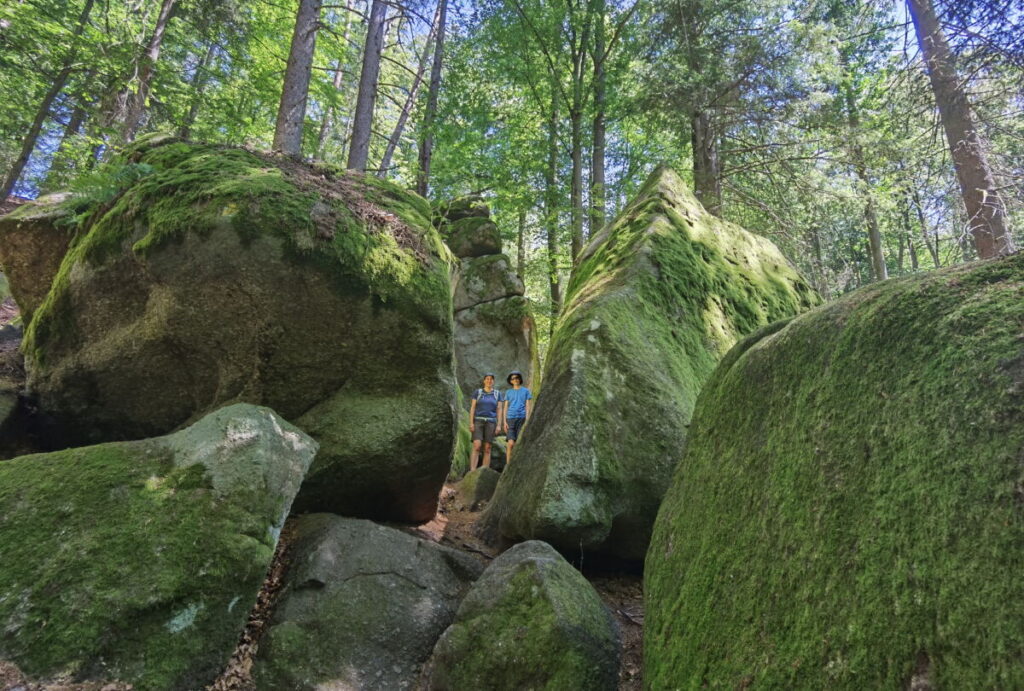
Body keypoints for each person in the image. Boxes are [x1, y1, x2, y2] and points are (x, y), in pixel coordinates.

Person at [468, 373, 503, 471]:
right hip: (478, 421)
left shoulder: (497, 394)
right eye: (487, 379)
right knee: (477, 445)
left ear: (493, 381)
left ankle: (483, 472)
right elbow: (473, 408)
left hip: (491, 422)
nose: (489, 381)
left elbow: (499, 409)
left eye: (491, 379)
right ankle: (472, 471)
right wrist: (471, 423)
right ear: (484, 381)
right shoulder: (478, 392)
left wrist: (499, 425)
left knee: (487, 448)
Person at [502, 370, 532, 463]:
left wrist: (527, 419)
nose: (515, 380)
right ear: (510, 381)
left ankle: (518, 464)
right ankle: (508, 465)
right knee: (510, 443)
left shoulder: (526, 391)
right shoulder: (508, 392)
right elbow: (505, 407)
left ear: (520, 379)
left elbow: (528, 405)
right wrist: (504, 421)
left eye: (517, 378)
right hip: (510, 418)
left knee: (519, 443)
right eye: (513, 378)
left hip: (522, 418)